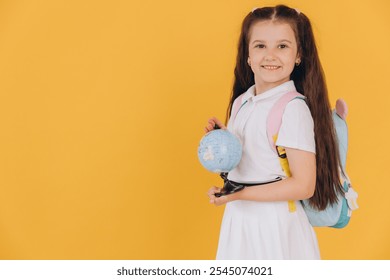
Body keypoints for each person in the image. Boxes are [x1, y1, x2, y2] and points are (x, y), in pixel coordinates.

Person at [205, 5, 343, 259]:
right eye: (260, 46)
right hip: (239, 220)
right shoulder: (242, 102)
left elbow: (304, 186)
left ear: (298, 54)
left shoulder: (292, 108)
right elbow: (253, 161)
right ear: (247, 55)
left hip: (276, 226)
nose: (270, 55)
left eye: (282, 46)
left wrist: (239, 194)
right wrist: (222, 141)